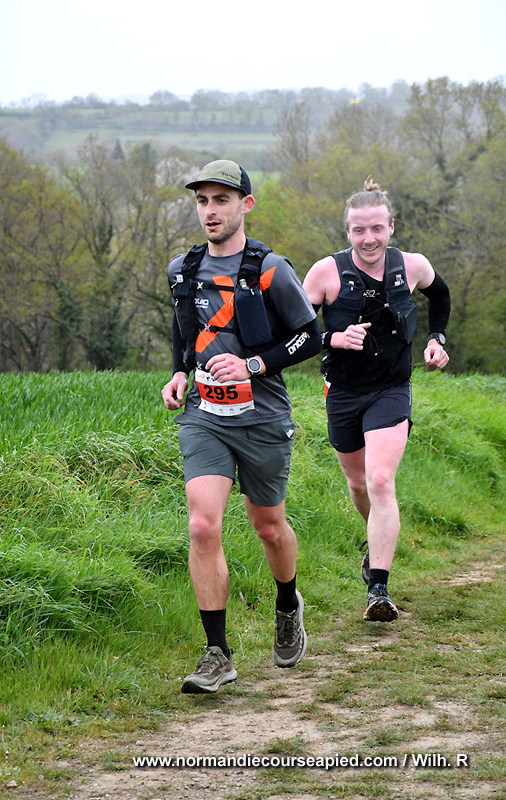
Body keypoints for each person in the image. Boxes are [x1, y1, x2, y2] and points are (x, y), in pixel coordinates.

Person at [162, 159, 321, 693]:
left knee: (268, 526)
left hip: (263, 416)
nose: (210, 211)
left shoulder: (270, 269)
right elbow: (184, 331)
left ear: (245, 205)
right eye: (202, 201)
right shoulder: (183, 270)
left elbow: (309, 336)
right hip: (204, 416)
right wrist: (180, 373)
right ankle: (217, 653)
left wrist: (253, 365)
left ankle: (287, 604)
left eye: (221, 200)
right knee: (202, 526)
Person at [303, 179, 450, 622]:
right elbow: (294, 333)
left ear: (391, 227)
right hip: (343, 392)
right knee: (359, 485)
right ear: (348, 231)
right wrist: (333, 337)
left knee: (381, 480)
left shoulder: (412, 266)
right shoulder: (325, 273)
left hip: (391, 388)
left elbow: (439, 294)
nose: (368, 239)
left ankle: (378, 589)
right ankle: (375, 538)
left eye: (377, 229)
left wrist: (437, 338)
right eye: (358, 230)